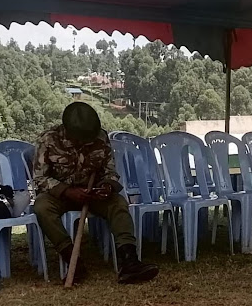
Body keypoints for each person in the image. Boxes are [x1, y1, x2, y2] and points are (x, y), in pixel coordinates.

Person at [32, 102, 159, 284]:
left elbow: (110, 170)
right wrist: (67, 191)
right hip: (60, 194)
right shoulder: (48, 140)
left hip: (93, 193)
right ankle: (73, 261)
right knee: (42, 207)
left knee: (119, 203)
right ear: (67, 131)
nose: (85, 142)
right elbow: (39, 178)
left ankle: (129, 261)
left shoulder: (101, 137)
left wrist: (107, 186)